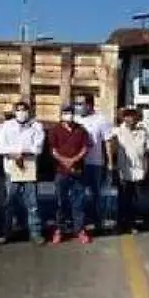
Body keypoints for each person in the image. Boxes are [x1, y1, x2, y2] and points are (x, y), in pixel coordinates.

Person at [0, 101, 46, 244]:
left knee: (32, 203)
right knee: (8, 203)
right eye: (18, 110)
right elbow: (2, 147)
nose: (21, 112)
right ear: (14, 111)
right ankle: (5, 232)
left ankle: (35, 233)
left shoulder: (36, 126)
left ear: (29, 111)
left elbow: (38, 147)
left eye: (24, 109)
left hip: (29, 168)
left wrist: (22, 154)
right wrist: (14, 155)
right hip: (11, 169)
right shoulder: (6, 126)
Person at [50, 103, 92, 244]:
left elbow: (85, 148)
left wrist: (74, 160)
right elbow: (53, 150)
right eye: (65, 112)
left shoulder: (81, 130)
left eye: (70, 112)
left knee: (78, 202)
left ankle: (79, 230)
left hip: (78, 171)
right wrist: (65, 161)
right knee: (60, 202)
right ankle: (59, 230)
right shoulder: (55, 130)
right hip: (61, 172)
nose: (68, 115)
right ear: (61, 115)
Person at [73, 93, 115, 233]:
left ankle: (98, 222)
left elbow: (107, 142)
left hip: (95, 163)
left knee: (96, 194)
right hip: (78, 163)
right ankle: (80, 224)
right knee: (78, 195)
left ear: (89, 105)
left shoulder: (101, 120)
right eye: (77, 103)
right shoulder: (74, 119)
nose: (78, 107)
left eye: (81, 103)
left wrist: (109, 163)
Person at [112, 106, 149, 234]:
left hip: (138, 171)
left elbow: (146, 153)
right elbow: (110, 149)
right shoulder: (117, 131)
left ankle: (131, 224)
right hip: (123, 170)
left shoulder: (143, 132)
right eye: (126, 115)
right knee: (122, 199)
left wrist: (145, 170)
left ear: (137, 117)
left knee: (134, 199)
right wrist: (112, 168)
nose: (129, 118)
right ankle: (120, 225)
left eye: (132, 115)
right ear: (123, 117)